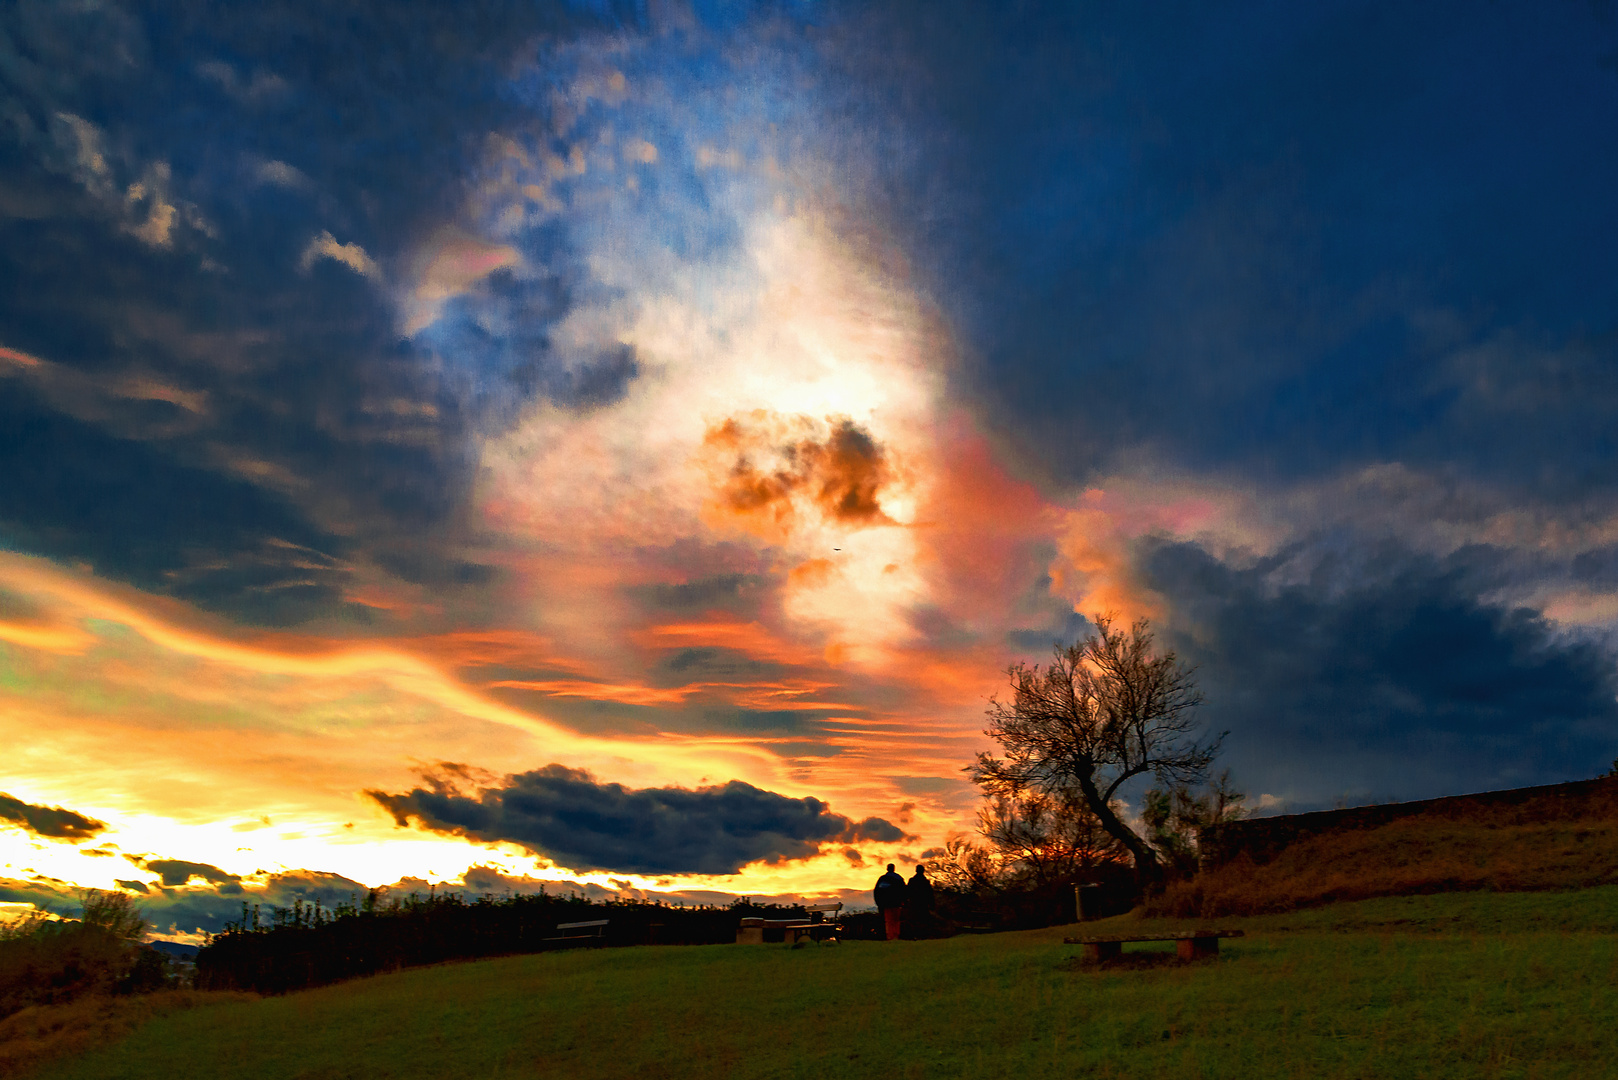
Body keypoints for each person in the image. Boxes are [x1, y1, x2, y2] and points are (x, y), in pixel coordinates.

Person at [873, 863, 906, 941]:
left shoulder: (882, 879)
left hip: (886, 904)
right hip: (897, 903)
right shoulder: (899, 878)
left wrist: (879, 903)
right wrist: (903, 901)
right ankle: (896, 936)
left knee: (889, 921)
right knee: (896, 920)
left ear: (887, 869)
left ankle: (890, 936)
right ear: (894, 869)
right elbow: (904, 891)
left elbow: (877, 892)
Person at [904, 864, 934, 939]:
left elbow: (907, 892)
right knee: (923, 920)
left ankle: (915, 935)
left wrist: (906, 902)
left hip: (914, 904)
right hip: (923, 904)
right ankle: (923, 935)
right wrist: (931, 904)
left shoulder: (912, 881)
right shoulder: (926, 882)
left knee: (914, 920)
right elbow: (930, 894)